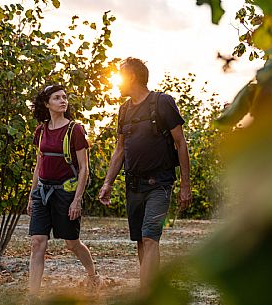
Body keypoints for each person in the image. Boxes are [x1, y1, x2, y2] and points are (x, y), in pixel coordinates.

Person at [98, 58, 192, 290]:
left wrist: (185, 185)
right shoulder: (124, 110)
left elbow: (180, 143)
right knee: (140, 240)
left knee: (150, 237)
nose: (117, 83)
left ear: (131, 77)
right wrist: (108, 182)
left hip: (159, 183)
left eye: (120, 77)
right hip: (133, 185)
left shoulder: (163, 103)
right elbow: (119, 150)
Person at [27, 84, 99, 297]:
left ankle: (93, 276)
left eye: (64, 97)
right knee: (37, 242)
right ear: (46, 103)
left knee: (72, 243)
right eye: (57, 97)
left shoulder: (75, 130)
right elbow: (39, 164)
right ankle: (33, 295)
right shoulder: (40, 130)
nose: (63, 101)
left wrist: (77, 200)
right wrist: (33, 194)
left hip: (66, 194)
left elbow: (84, 168)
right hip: (43, 192)